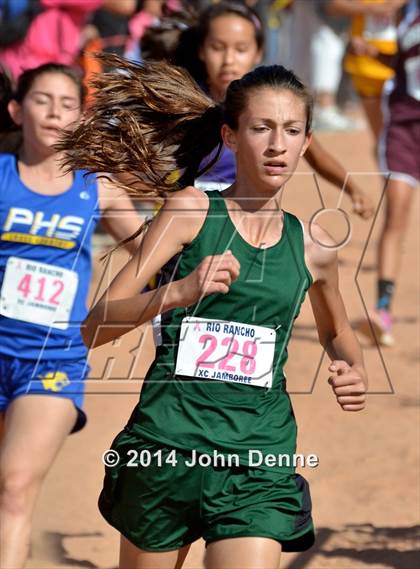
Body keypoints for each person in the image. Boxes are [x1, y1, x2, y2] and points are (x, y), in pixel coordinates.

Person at [59, 54, 368, 569]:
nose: (277, 145)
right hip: (165, 449)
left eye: (292, 130)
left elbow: (338, 332)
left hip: (258, 460)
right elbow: (94, 327)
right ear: (229, 136)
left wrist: (352, 370)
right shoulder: (189, 213)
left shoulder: (313, 246)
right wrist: (177, 293)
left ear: (307, 143)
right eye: (261, 128)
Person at [0, 63, 143, 569]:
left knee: (14, 487)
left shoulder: (96, 187)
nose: (55, 111)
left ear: (80, 117)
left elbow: (151, 250)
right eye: (43, 100)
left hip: (51, 360)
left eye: (67, 102)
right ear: (17, 110)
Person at [175, 1, 373, 216]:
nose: (228, 60)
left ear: (258, 53)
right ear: (201, 50)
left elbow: (316, 155)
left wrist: (353, 189)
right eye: (217, 47)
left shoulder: (271, 105)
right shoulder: (183, 102)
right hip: (194, 211)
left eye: (241, 49)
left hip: (248, 212)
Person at [358, 0, 419, 346]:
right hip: (405, 125)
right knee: (395, 214)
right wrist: (372, 54)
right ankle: (383, 312)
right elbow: (402, 62)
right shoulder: (405, 11)